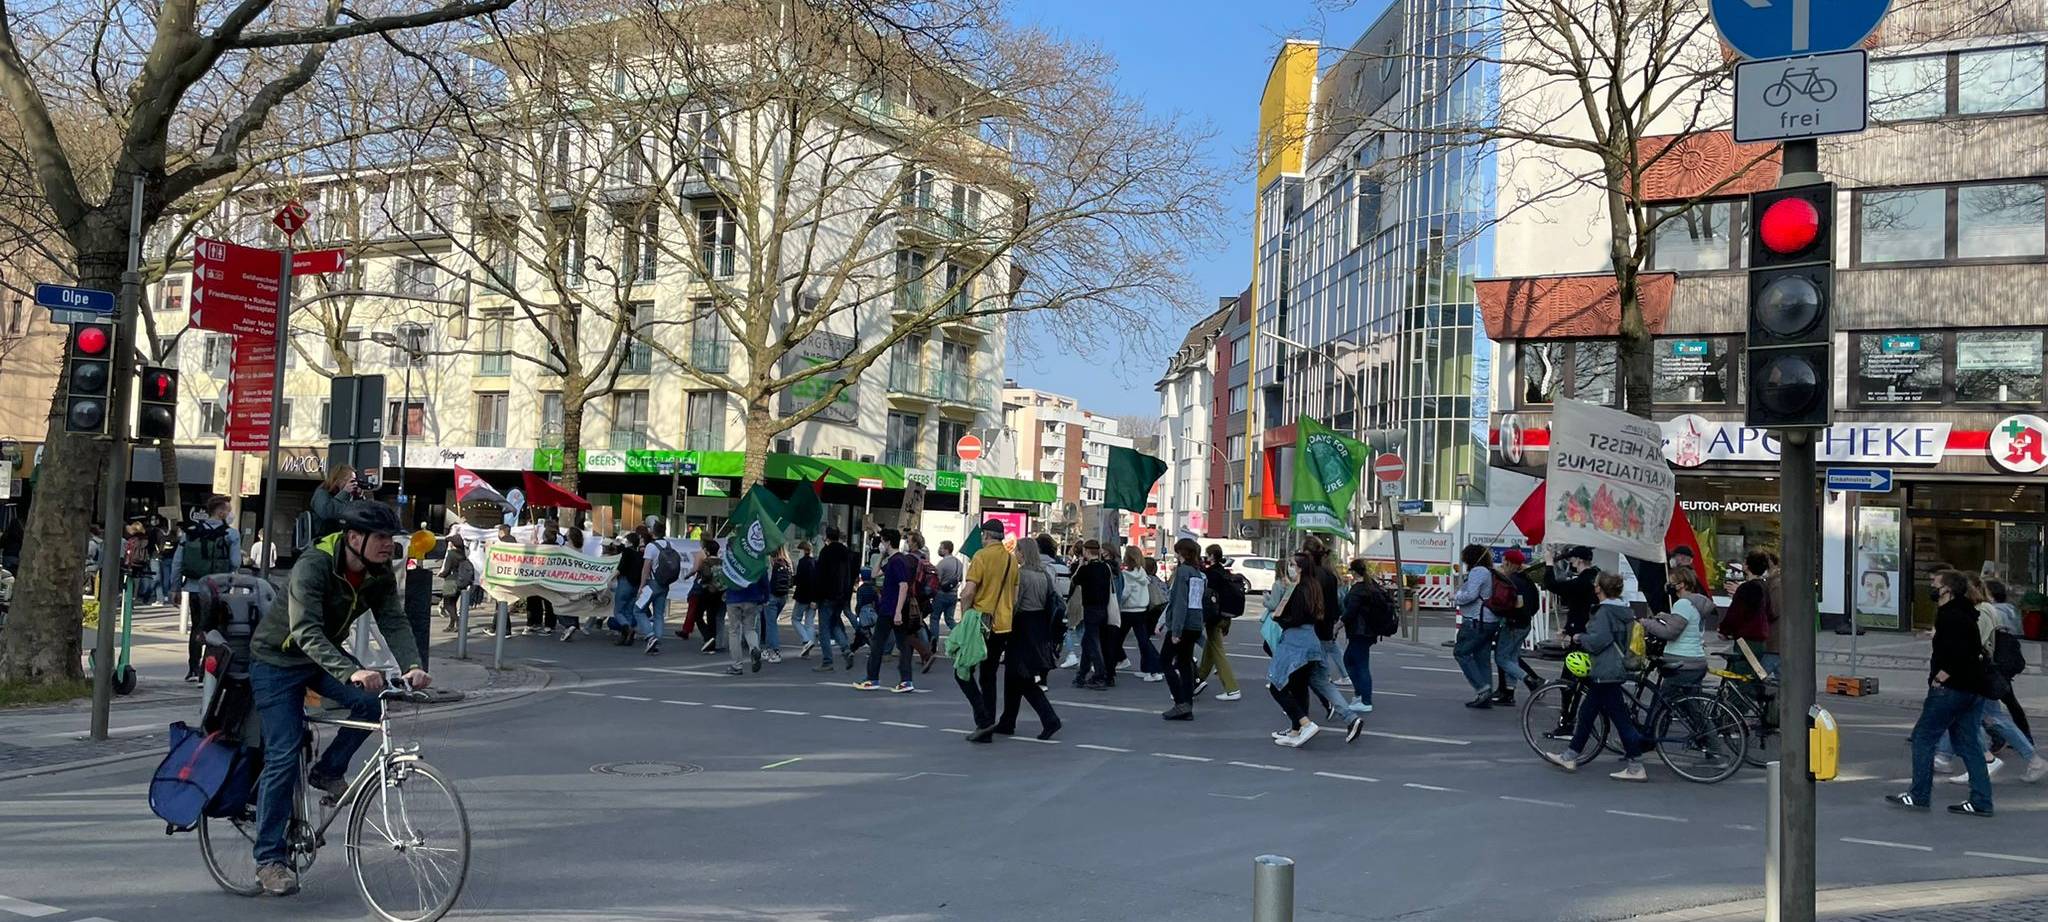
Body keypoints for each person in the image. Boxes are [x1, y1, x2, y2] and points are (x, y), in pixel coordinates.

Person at [247, 501, 431, 897]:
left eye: (391, 538)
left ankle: (327, 771)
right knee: (284, 750)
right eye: (381, 538)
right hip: (277, 660)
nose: (388, 546)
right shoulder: (314, 565)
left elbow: (393, 619)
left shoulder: (377, 572)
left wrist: (412, 664)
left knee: (370, 701)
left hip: (321, 657)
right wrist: (351, 671)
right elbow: (304, 631)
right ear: (353, 538)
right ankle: (269, 860)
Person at [1889, 569, 1996, 816]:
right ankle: (1981, 801)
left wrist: (1941, 677)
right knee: (1969, 744)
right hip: (1972, 690)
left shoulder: (1951, 615)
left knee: (1923, 737)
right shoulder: (1966, 612)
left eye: (1935, 584)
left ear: (1947, 589)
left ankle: (1919, 795)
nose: (1931, 587)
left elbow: (1960, 653)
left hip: (1951, 690)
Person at [1544, 571, 1651, 781]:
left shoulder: (1605, 612)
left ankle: (1636, 766)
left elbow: (1599, 640)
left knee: (1621, 721)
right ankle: (1570, 755)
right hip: (1613, 668)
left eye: (1596, 584)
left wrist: (1580, 637)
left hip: (1605, 670)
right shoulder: (1624, 611)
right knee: (1586, 714)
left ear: (1599, 589)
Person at [959, 519, 1060, 741]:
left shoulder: (1017, 571)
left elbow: (1014, 601)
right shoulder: (1042, 574)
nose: (1018, 555)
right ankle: (1007, 722)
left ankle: (993, 720)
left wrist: (969, 616)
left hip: (1014, 626)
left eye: (1020, 552)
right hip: (1031, 628)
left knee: (976, 672)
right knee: (1011, 677)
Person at [1267, 537, 1338, 749]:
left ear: (1300, 568)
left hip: (1296, 641)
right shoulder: (1313, 585)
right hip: (1310, 640)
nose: (1289, 568)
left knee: (1277, 685)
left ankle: (1305, 724)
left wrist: (1279, 618)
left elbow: (1296, 617)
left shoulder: (1300, 590)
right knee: (1298, 686)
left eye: (1292, 565)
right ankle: (1296, 729)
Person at [176, 495, 241, 683]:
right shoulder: (231, 534)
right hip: (218, 588)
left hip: (194, 587)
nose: (230, 515)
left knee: (197, 627)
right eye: (228, 511)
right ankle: (207, 671)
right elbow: (235, 562)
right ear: (220, 512)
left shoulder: (191, 532)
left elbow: (178, 562)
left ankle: (193, 669)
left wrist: (174, 588)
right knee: (215, 630)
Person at [857, 529, 928, 693]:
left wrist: (896, 611)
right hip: (895, 608)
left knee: (877, 644)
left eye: (882, 541)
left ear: (887, 542)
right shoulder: (896, 559)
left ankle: (872, 678)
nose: (881, 544)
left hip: (891, 609)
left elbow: (903, 586)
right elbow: (875, 573)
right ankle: (906, 680)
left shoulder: (897, 561)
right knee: (903, 645)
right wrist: (882, 556)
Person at [1159, 538, 1208, 721]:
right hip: (1194, 623)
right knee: (1184, 663)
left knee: (1165, 661)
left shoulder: (1182, 572)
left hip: (1182, 624)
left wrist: (1176, 630)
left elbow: (1180, 602)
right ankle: (1186, 704)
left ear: (1182, 553)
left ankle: (1180, 703)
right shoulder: (1198, 573)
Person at [1450, 543, 1500, 709]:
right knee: (1482, 658)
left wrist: (1456, 597)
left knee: (1461, 652)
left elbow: (1471, 595)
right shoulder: (1489, 572)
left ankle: (1482, 688)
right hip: (1489, 620)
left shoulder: (1478, 572)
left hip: (1476, 621)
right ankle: (1486, 696)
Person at [1339, 558, 1388, 727]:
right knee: (1353, 661)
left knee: (1357, 663)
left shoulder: (1359, 590)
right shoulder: (1371, 585)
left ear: (1353, 572)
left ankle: (1365, 699)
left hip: (1360, 632)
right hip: (1367, 632)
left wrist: (1338, 625)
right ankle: (1360, 695)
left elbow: (1350, 611)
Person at [1491, 549, 1543, 705]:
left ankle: (1530, 680)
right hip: (1525, 624)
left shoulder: (1511, 581)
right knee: (1512, 658)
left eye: (1504, 560)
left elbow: (1508, 604)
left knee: (1501, 658)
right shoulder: (1527, 580)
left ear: (1508, 562)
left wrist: (1506, 614)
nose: (1502, 564)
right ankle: (1509, 693)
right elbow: (1536, 604)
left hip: (1513, 624)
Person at [1192, 545, 1244, 701]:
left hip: (1214, 617)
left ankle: (1232, 688)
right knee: (1210, 650)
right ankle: (1197, 681)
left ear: (1212, 556)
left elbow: (1207, 598)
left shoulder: (1211, 574)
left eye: (1207, 555)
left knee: (1218, 653)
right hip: (1225, 616)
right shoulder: (1224, 572)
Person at [1066, 539, 1116, 690]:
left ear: (1087, 552)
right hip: (1104, 608)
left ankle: (1100, 675)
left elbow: (1074, 580)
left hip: (1090, 609)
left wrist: (1080, 565)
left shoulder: (1086, 569)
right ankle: (1081, 674)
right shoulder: (1106, 568)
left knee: (1093, 643)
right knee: (1088, 642)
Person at [811, 528, 856, 671]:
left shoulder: (826, 552)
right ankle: (846, 649)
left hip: (827, 595)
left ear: (827, 537)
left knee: (824, 629)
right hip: (841, 595)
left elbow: (820, 577)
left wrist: (816, 598)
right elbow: (850, 574)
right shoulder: (846, 552)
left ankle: (827, 661)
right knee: (834, 623)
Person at [1125, 549, 1163, 682]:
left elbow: (1125, 594)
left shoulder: (1127, 575)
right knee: (1143, 640)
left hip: (1128, 610)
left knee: (1117, 639)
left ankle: (1153, 668)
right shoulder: (1143, 575)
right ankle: (1150, 668)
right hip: (1142, 609)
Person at [724, 566, 769, 675]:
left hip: (733, 597)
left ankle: (737, 665)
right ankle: (754, 648)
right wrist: (765, 597)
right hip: (752, 597)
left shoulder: (731, 558)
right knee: (750, 629)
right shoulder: (756, 559)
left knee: (734, 631)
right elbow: (764, 580)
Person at [523, 520, 562, 637]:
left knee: (534, 600)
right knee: (549, 602)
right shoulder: (559, 548)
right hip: (553, 580)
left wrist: (534, 546)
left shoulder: (541, 547)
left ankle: (534, 622)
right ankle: (550, 625)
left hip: (539, 578)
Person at [610, 532, 645, 647]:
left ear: (629, 542)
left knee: (618, 611)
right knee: (629, 611)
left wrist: (609, 579)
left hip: (625, 582)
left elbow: (621, 568)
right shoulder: (640, 555)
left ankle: (627, 629)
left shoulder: (627, 552)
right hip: (636, 585)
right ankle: (627, 637)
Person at [309, 465, 361, 537]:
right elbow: (327, 513)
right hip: (322, 539)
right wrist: (344, 492)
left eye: (354, 481)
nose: (353, 484)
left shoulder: (346, 496)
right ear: (339, 480)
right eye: (351, 481)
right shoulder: (321, 493)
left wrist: (358, 497)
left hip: (339, 537)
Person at [760, 545, 791, 663]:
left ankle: (775, 651)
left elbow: (766, 581)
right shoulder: (787, 562)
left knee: (771, 624)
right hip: (783, 596)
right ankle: (768, 649)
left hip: (771, 596)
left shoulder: (771, 563)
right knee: (770, 623)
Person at [439, 534, 476, 633]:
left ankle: (459, 623)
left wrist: (441, 574)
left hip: (451, 580)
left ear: (453, 544)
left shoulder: (451, 554)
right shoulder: (463, 554)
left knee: (447, 604)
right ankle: (451, 625)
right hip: (460, 581)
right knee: (453, 604)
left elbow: (446, 569)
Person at [790, 541, 819, 657]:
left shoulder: (802, 563)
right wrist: (815, 598)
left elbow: (800, 580)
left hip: (802, 596)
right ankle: (807, 648)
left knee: (795, 619)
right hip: (813, 597)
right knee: (809, 622)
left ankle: (806, 640)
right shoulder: (816, 563)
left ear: (803, 550)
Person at [933, 539, 964, 640]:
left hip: (941, 594)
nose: (939, 550)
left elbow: (937, 580)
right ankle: (961, 636)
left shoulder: (942, 563)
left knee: (934, 618)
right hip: (954, 595)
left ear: (946, 550)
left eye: (941, 548)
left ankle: (933, 642)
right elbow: (960, 579)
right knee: (949, 619)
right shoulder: (959, 563)